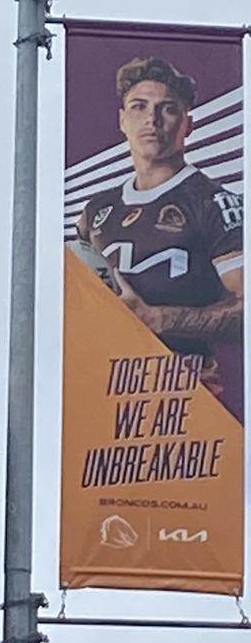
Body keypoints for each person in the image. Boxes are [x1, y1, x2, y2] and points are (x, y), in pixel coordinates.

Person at [75, 56, 244, 419]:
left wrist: (158, 318)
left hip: (190, 393)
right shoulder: (96, 211)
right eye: (139, 107)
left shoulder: (214, 203)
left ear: (188, 124)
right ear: (122, 119)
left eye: (167, 109)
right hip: (111, 395)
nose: (151, 120)